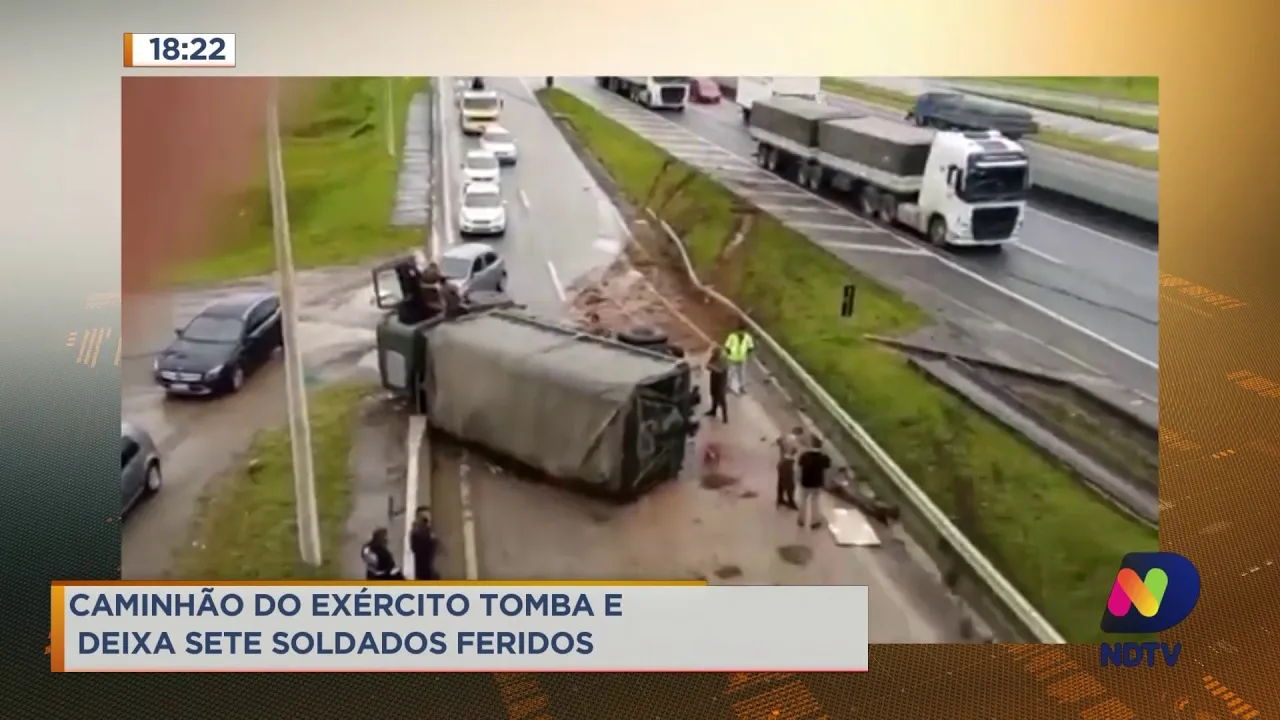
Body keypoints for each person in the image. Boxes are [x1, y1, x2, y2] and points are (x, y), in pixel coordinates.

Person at [796, 435, 831, 530]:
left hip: (805, 482)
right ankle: (815, 521)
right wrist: (826, 483)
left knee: (803, 500)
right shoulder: (824, 458)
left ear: (811, 444)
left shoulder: (804, 456)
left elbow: (799, 469)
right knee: (815, 502)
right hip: (817, 483)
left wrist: (798, 479)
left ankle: (801, 519)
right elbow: (826, 472)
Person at [775, 426, 805, 510]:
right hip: (788, 463)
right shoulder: (794, 440)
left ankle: (780, 499)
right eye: (801, 435)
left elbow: (778, 441)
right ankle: (791, 502)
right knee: (790, 484)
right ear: (799, 433)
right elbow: (793, 451)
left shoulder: (785, 437)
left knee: (781, 482)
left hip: (781, 462)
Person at [723, 324, 755, 395]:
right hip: (732, 358)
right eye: (740, 331)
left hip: (742, 358)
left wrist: (746, 354)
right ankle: (727, 386)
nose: (741, 333)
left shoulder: (747, 337)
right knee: (731, 373)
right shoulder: (732, 337)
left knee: (741, 373)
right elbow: (727, 346)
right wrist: (729, 354)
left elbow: (750, 347)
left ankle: (742, 387)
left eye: (743, 331)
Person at [409, 507, 440, 581]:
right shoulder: (417, 533)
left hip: (427, 565)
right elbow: (415, 547)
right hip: (423, 566)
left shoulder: (425, 532)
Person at [704, 347, 729, 423]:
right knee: (713, 394)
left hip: (721, 381)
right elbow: (707, 366)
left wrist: (712, 367)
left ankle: (725, 417)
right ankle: (713, 411)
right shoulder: (713, 358)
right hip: (714, 379)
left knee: (721, 398)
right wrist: (713, 367)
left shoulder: (724, 360)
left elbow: (719, 370)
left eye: (715, 354)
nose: (713, 355)